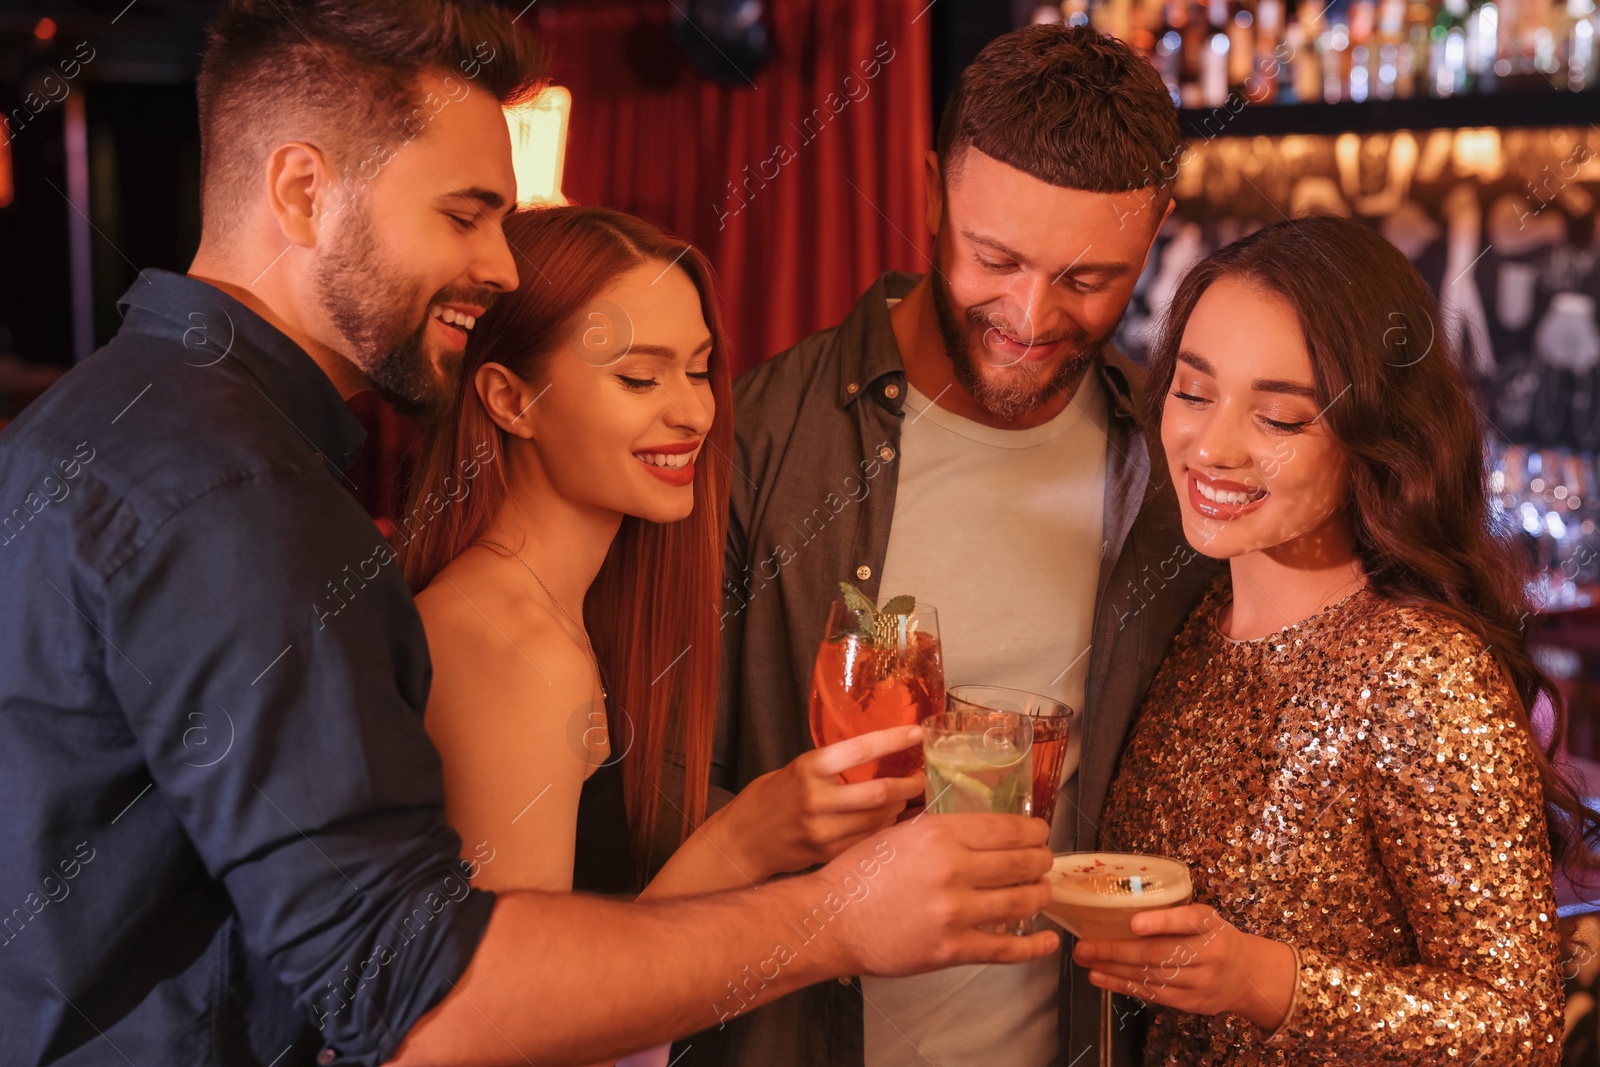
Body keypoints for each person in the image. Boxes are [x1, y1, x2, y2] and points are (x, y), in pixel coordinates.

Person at [0, 4, 1061, 1065]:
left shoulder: (110, 425)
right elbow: (411, 991)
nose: (502, 266)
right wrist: (837, 919)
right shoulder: (236, 495)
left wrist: (755, 840)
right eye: (464, 216)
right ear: (301, 192)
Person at [700, 22, 1221, 1067]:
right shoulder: (758, 436)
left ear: (1161, 225)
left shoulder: (1173, 475)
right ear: (930, 185)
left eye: (1088, 278)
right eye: (995, 258)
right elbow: (660, 789)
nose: (1030, 316)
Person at [1087, 214, 1590, 1063]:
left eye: (1280, 419)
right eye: (1193, 390)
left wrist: (1265, 981)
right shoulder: (1193, 621)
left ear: (1372, 442)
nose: (1212, 446)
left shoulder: (1422, 673)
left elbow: (1517, 1027)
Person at [403, 204, 928, 924]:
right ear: (511, 399)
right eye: (640, 379)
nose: (696, 413)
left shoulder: (569, 611)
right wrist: (740, 843)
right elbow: (524, 1027)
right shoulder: (516, 651)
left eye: (699, 369)